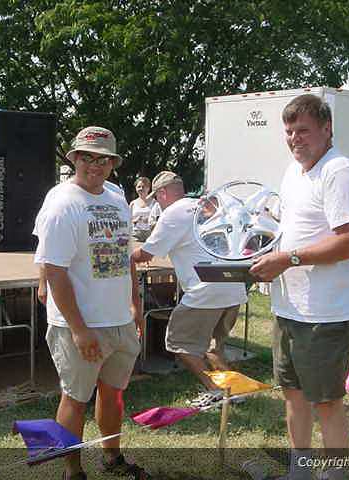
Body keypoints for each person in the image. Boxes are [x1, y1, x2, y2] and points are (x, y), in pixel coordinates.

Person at [250, 94, 349, 480]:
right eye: (289, 131)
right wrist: (264, 251)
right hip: (290, 309)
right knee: (294, 395)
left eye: (303, 130)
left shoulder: (340, 172)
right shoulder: (294, 172)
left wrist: (287, 259)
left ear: (327, 128)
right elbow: (293, 231)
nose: (294, 138)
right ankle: (299, 473)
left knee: (327, 403)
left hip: (328, 315)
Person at [34, 126, 146, 480]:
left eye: (103, 159)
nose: (95, 165)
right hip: (80, 324)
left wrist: (135, 304)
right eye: (87, 157)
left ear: (113, 163)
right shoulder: (62, 204)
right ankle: (72, 471)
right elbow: (55, 271)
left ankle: (112, 458)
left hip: (119, 320)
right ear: (74, 159)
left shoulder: (116, 197)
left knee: (113, 393)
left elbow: (125, 254)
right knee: (75, 398)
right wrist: (80, 329)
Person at [130, 171, 248, 407]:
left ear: (163, 193)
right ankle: (235, 392)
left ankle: (216, 390)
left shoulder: (173, 213)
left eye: (157, 197)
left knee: (178, 343)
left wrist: (126, 255)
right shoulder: (204, 206)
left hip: (205, 290)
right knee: (213, 347)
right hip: (233, 285)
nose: (157, 203)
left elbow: (146, 254)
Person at [129, 176, 157, 242]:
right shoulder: (133, 203)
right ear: (136, 188)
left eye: (143, 186)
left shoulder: (155, 203)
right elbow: (128, 220)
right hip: (135, 234)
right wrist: (135, 220)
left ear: (148, 188)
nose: (141, 188)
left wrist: (150, 221)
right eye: (139, 187)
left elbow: (160, 219)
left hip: (150, 235)